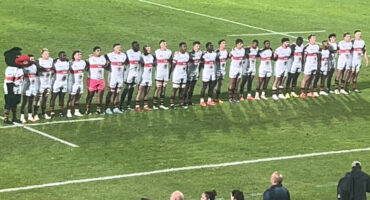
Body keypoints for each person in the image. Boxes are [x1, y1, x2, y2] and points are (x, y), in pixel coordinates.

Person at [3, 47, 30, 124]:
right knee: (9, 101)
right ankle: (6, 118)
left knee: (15, 102)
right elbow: (9, 82)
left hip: (18, 87)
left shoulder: (20, 68)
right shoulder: (10, 69)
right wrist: (10, 91)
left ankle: (14, 117)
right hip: (11, 87)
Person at [105, 43, 127, 114]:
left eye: (120, 47)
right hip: (112, 77)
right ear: (114, 48)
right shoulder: (110, 55)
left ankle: (115, 107)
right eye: (117, 47)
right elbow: (102, 58)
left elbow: (125, 64)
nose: (119, 49)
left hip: (120, 77)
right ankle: (107, 107)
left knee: (117, 92)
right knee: (111, 91)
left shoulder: (123, 55)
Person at [85, 46, 107, 115]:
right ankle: (87, 109)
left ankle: (99, 109)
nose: (99, 52)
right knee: (90, 95)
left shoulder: (103, 58)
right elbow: (86, 68)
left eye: (100, 50)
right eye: (97, 50)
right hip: (92, 80)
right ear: (94, 52)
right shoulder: (90, 59)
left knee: (100, 95)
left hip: (101, 80)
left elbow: (106, 65)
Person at [121, 41, 141, 111]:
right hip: (129, 73)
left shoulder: (139, 53)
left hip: (135, 74)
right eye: (136, 46)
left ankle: (128, 105)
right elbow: (124, 62)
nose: (138, 47)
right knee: (127, 88)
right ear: (133, 46)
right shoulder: (128, 52)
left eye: (138, 45)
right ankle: (121, 104)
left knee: (132, 89)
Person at [33, 48, 53, 120]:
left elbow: (53, 68)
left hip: (48, 83)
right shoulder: (38, 61)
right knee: (38, 99)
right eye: (46, 53)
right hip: (40, 84)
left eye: (48, 53)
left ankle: (44, 113)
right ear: (42, 54)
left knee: (45, 99)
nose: (48, 55)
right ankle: (35, 114)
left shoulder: (51, 60)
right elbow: (38, 69)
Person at [49, 51, 69, 118]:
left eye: (65, 55)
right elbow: (52, 71)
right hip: (57, 82)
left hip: (64, 83)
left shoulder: (67, 62)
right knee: (53, 97)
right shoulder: (55, 62)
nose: (64, 57)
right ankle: (52, 112)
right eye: (63, 55)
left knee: (62, 97)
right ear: (59, 56)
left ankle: (61, 112)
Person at [153, 40, 172, 110]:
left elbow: (171, 62)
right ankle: (154, 104)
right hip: (159, 73)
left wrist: (170, 72)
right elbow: (153, 61)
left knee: (164, 88)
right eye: (163, 43)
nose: (165, 45)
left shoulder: (169, 52)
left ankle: (161, 104)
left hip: (166, 73)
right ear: (160, 45)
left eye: (166, 43)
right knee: (157, 88)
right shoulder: (157, 52)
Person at [170, 42, 189, 109]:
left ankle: (181, 102)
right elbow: (173, 65)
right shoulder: (177, 55)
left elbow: (186, 65)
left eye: (186, 46)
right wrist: (170, 73)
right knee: (175, 89)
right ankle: (172, 104)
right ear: (180, 47)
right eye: (184, 46)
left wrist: (187, 73)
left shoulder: (187, 55)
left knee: (182, 89)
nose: (185, 48)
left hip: (184, 75)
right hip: (177, 75)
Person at [300, 34, 320, 99]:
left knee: (311, 78)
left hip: (314, 65)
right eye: (313, 38)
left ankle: (308, 91)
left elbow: (318, 55)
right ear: (309, 39)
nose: (315, 39)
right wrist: (303, 66)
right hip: (308, 65)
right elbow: (303, 57)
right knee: (306, 78)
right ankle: (302, 92)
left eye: (315, 38)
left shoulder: (317, 46)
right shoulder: (306, 47)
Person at [135, 45, 155, 112]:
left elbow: (154, 63)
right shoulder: (141, 56)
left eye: (150, 48)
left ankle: (145, 106)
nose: (149, 49)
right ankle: (137, 106)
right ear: (144, 50)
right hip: (142, 77)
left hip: (149, 77)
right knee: (140, 91)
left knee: (147, 92)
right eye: (148, 49)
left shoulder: (151, 56)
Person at [66, 50, 85, 117]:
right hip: (73, 83)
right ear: (74, 56)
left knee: (78, 97)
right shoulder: (71, 63)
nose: (80, 56)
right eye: (78, 54)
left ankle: (76, 111)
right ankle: (68, 111)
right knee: (71, 97)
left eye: (80, 54)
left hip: (80, 83)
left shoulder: (83, 62)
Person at [20, 54, 37, 123]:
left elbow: (36, 74)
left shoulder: (34, 66)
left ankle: (30, 116)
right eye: (31, 59)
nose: (33, 60)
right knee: (24, 102)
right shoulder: (24, 67)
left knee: (31, 102)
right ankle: (22, 117)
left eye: (33, 59)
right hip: (27, 86)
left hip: (33, 86)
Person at [184, 41, 202, 106]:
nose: (198, 47)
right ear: (193, 46)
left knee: (192, 87)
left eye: (199, 46)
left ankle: (189, 100)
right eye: (197, 46)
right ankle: (184, 100)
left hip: (196, 74)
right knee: (187, 87)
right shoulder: (189, 53)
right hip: (189, 73)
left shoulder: (200, 53)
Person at [200, 42, 217, 106]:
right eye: (210, 46)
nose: (212, 47)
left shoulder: (214, 54)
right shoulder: (204, 54)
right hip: (206, 72)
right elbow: (201, 62)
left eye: (212, 46)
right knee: (204, 86)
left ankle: (209, 100)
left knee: (211, 86)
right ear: (207, 47)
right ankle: (202, 100)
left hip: (212, 72)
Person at [228, 39, 245, 103]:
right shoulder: (233, 51)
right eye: (241, 44)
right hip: (233, 69)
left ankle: (234, 97)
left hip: (240, 68)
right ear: (237, 44)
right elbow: (229, 56)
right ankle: (230, 98)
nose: (242, 45)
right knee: (232, 83)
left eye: (242, 44)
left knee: (237, 83)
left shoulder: (243, 50)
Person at [214, 39, 228, 104]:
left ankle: (217, 98)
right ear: (220, 44)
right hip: (216, 71)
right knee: (213, 85)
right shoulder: (216, 52)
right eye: (223, 43)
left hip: (223, 71)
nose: (225, 44)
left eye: (225, 43)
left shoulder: (226, 52)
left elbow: (226, 58)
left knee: (219, 85)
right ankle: (210, 98)